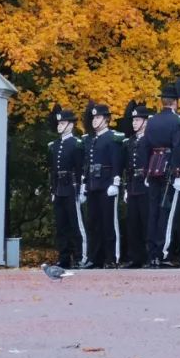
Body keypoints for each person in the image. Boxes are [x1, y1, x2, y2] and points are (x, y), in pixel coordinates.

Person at [144, 81, 180, 268]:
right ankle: (161, 253)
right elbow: (178, 146)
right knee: (167, 212)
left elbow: (146, 146)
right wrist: (178, 172)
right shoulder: (178, 120)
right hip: (169, 168)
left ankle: (151, 253)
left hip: (153, 167)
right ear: (175, 102)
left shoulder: (152, 121)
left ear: (162, 102)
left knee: (154, 211)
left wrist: (146, 172)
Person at [81, 104, 123, 268]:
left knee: (108, 222)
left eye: (98, 117)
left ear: (106, 120)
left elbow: (116, 161)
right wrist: (84, 184)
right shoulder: (90, 139)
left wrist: (115, 182)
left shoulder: (112, 137)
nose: (95, 121)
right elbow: (87, 163)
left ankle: (111, 257)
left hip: (106, 183)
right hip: (93, 184)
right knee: (93, 222)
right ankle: (95, 257)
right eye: (93, 118)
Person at [48, 107, 85, 268]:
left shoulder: (76, 144)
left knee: (75, 224)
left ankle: (79, 256)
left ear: (70, 125)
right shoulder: (55, 145)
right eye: (59, 123)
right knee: (61, 225)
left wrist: (82, 188)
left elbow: (80, 168)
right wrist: (52, 189)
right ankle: (64, 257)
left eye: (63, 122)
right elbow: (53, 170)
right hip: (59, 188)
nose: (59, 125)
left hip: (71, 186)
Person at [120, 102, 151, 269]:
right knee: (132, 223)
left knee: (146, 221)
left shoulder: (150, 139)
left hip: (145, 183)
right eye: (133, 120)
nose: (134, 123)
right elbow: (127, 165)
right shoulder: (130, 141)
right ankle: (134, 257)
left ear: (145, 122)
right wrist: (126, 186)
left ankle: (149, 256)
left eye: (138, 120)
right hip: (133, 184)